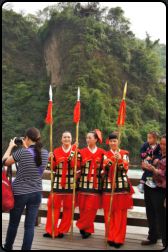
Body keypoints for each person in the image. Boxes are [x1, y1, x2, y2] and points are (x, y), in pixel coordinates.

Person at [3, 127, 49, 250]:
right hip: (36, 194)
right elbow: (34, 158)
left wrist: (10, 146)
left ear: (27, 138)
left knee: (14, 223)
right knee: (29, 226)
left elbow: (4, 162)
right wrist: (27, 148)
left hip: (20, 194)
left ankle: (7, 247)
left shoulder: (22, 153)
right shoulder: (45, 153)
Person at [43, 131, 79, 238]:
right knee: (53, 207)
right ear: (61, 139)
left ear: (71, 139)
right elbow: (51, 168)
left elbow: (75, 165)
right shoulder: (56, 151)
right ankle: (51, 230)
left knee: (68, 209)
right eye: (64, 137)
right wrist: (50, 158)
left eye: (68, 137)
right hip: (58, 184)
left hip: (70, 184)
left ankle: (62, 230)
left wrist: (73, 150)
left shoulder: (77, 151)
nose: (66, 139)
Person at [102, 132, 135, 248]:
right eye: (111, 141)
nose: (112, 143)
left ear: (119, 142)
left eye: (115, 141)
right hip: (108, 187)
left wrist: (119, 159)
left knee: (120, 214)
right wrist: (112, 159)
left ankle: (119, 238)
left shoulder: (124, 153)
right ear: (108, 142)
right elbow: (105, 166)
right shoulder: (105, 154)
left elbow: (125, 167)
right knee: (108, 213)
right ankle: (110, 236)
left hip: (121, 187)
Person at [76, 129, 106, 239]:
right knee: (83, 208)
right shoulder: (81, 152)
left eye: (90, 138)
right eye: (87, 138)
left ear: (96, 140)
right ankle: (87, 229)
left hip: (96, 184)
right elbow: (77, 166)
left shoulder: (102, 153)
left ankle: (82, 225)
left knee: (91, 209)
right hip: (83, 184)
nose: (87, 139)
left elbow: (106, 167)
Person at [141, 134, 166, 249]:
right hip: (149, 185)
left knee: (161, 216)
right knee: (150, 212)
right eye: (161, 144)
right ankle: (152, 237)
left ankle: (165, 243)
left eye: (165, 144)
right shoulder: (157, 154)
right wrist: (145, 166)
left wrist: (155, 170)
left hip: (161, 189)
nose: (162, 146)